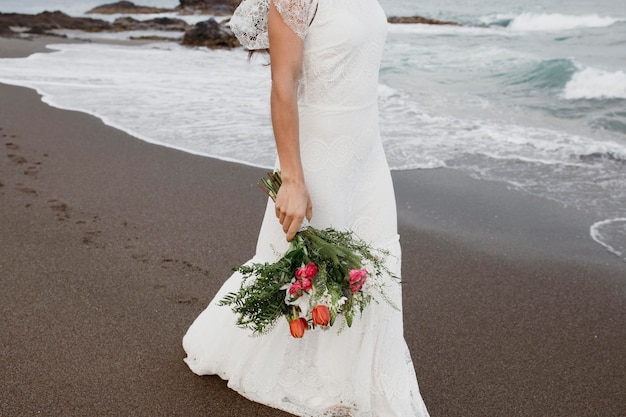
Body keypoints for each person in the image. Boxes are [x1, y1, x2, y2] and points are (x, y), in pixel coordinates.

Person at [182, 0, 430, 415]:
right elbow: (284, 82)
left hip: (366, 150)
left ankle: (358, 373)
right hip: (318, 153)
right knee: (307, 269)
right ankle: (317, 374)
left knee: (375, 258)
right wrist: (294, 180)